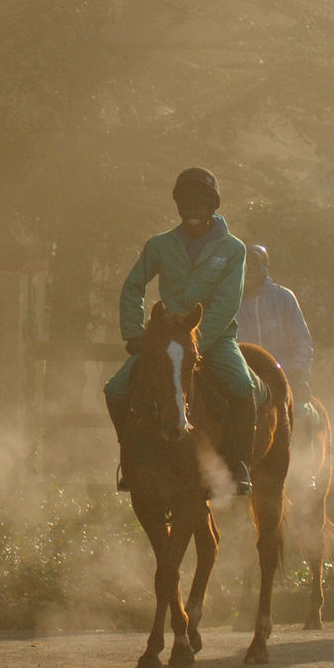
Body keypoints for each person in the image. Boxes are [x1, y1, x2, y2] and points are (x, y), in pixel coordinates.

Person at [103, 167, 260, 495]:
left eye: (200, 203)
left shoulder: (234, 250)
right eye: (186, 203)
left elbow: (227, 302)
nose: (192, 209)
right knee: (116, 389)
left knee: (243, 387)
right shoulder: (160, 245)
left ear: (212, 206)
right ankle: (131, 457)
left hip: (213, 338)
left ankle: (239, 463)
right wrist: (134, 332)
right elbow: (134, 286)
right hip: (165, 338)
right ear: (178, 205)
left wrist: (197, 339)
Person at [237, 244, 315, 409]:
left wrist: (298, 369)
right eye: (244, 267)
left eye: (253, 267)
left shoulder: (283, 297)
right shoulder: (231, 301)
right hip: (244, 378)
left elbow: (302, 340)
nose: (248, 273)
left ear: (265, 269)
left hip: (284, 376)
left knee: (300, 415)